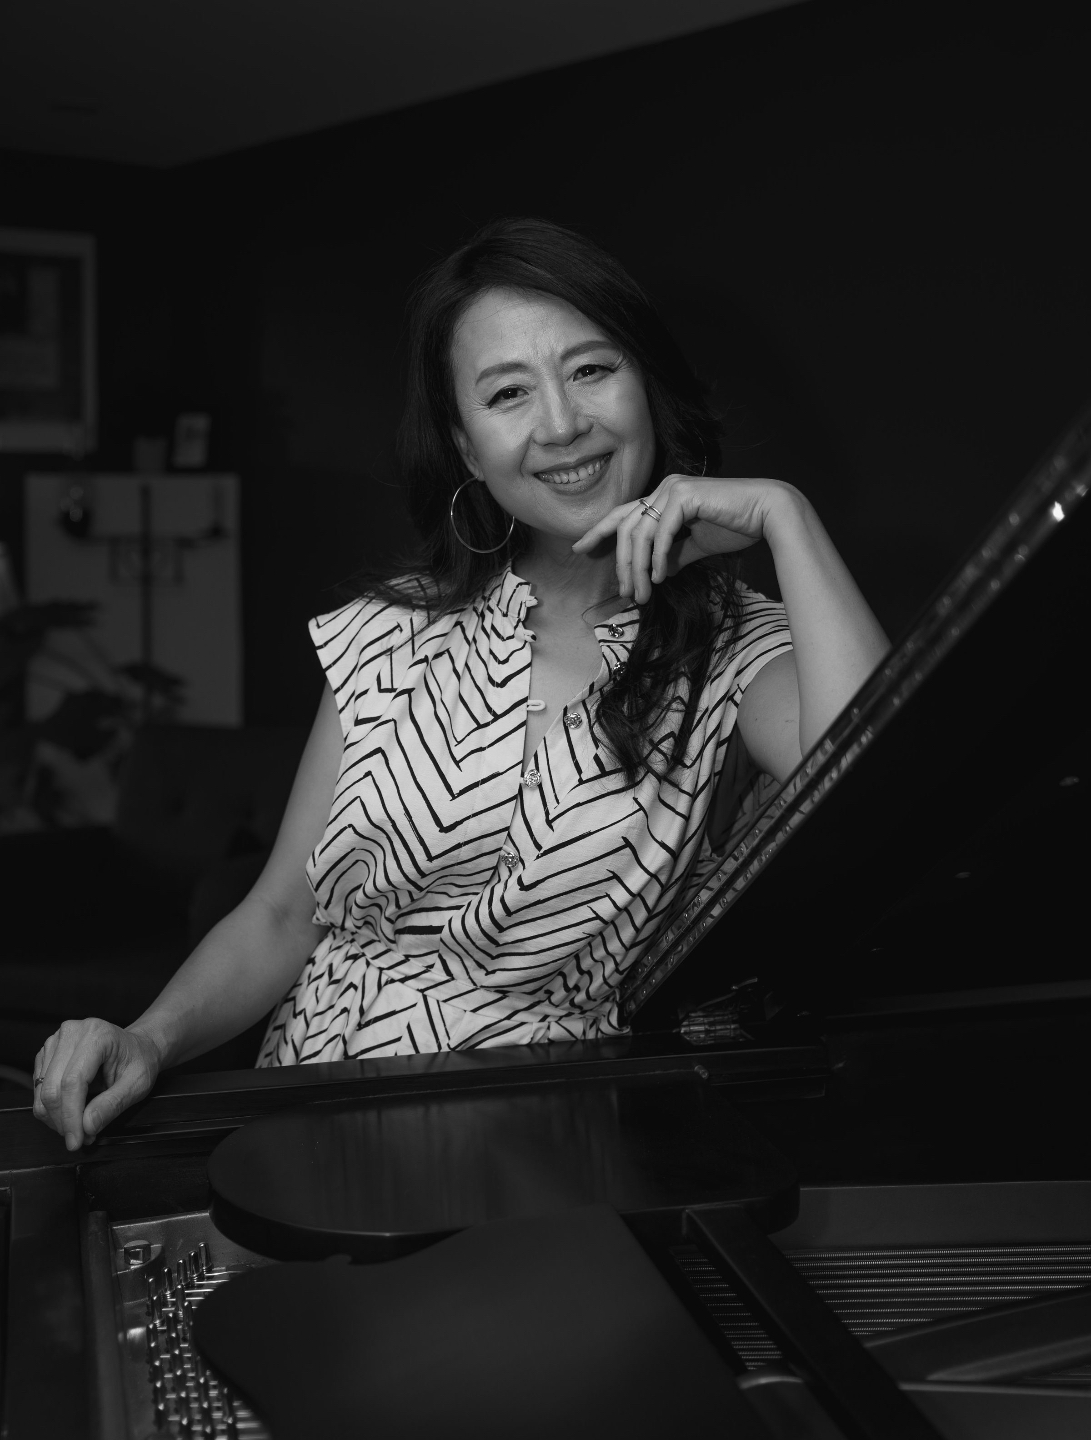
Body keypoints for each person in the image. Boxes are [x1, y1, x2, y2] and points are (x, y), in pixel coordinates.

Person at [33, 218, 889, 1151]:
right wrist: (149, 1037)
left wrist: (785, 517)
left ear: (646, 385)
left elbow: (875, 794)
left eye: (591, 370)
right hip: (310, 1114)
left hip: (544, 1142)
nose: (560, 424)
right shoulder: (390, 627)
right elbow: (282, 913)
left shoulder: (734, 647)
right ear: (468, 448)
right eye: (508, 392)